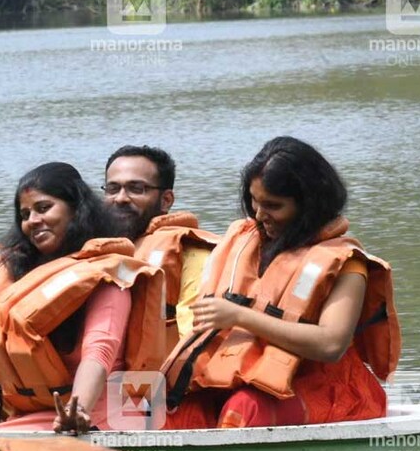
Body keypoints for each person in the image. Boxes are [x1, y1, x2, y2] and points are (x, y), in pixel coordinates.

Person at [161, 137, 401, 429]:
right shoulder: (241, 243)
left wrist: (240, 316)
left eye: (273, 206)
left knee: (244, 410)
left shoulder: (347, 264)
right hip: (237, 375)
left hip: (324, 386)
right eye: (254, 201)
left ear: (309, 204)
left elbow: (331, 345)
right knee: (172, 414)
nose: (259, 215)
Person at [0, 162, 166, 433]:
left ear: (76, 209)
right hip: (37, 411)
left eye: (43, 208)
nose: (32, 221)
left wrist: (78, 410)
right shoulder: (23, 275)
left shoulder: (107, 278)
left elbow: (99, 352)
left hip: (99, 415)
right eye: (25, 214)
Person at [103, 146, 220, 346]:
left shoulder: (192, 256)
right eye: (112, 189)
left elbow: (196, 340)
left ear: (166, 200)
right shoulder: (95, 253)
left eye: (136, 189)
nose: (121, 198)